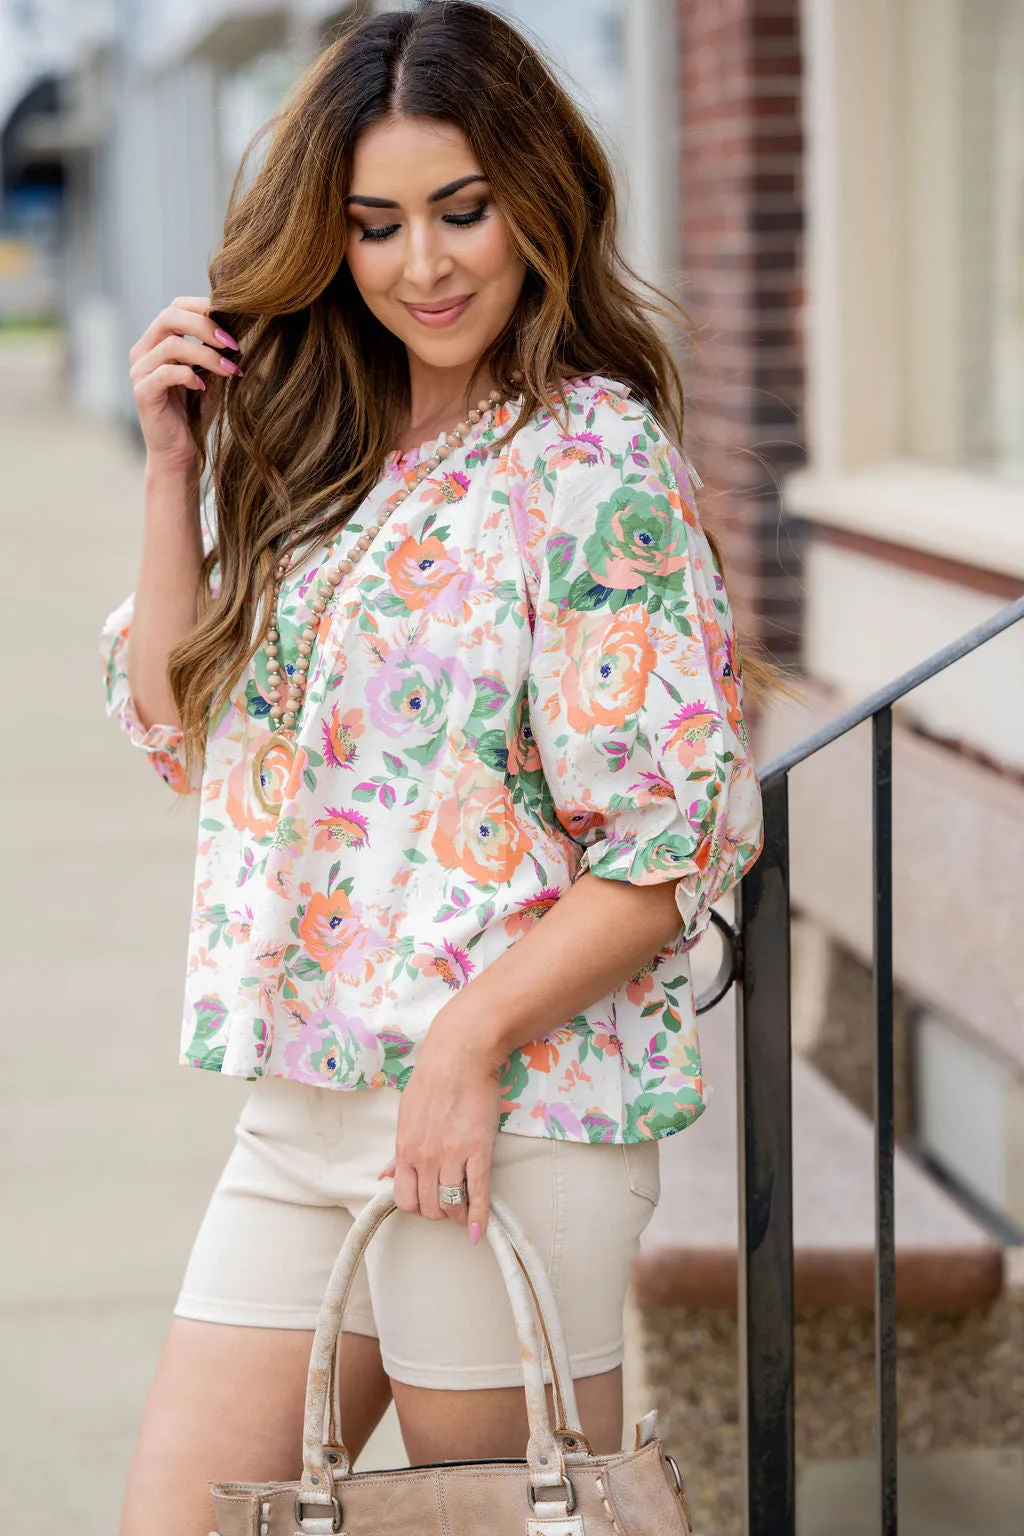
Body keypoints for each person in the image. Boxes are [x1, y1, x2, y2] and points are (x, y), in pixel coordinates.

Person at [101, 4, 765, 1533]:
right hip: (308, 1099)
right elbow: (179, 728)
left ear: (535, 193)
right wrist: (172, 463)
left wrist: (467, 1046)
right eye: (378, 224)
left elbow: (667, 852)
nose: (426, 264)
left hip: (509, 1116)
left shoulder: (590, 457)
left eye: (462, 209)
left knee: (502, 1519)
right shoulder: (317, 442)